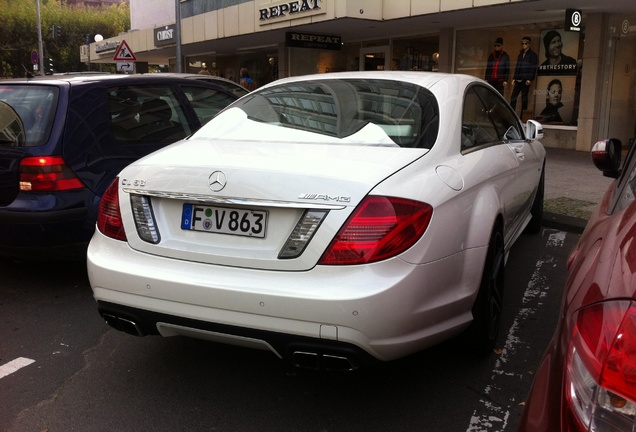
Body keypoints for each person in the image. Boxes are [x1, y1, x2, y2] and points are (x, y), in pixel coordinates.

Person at [510, 36, 538, 114]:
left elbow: (533, 67)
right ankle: (512, 114)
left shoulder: (533, 55)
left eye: (526, 43)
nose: (524, 45)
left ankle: (523, 117)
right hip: (518, 78)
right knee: (513, 97)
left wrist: (529, 79)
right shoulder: (520, 54)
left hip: (525, 79)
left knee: (524, 99)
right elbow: (517, 66)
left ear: (529, 44)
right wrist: (514, 78)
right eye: (522, 43)